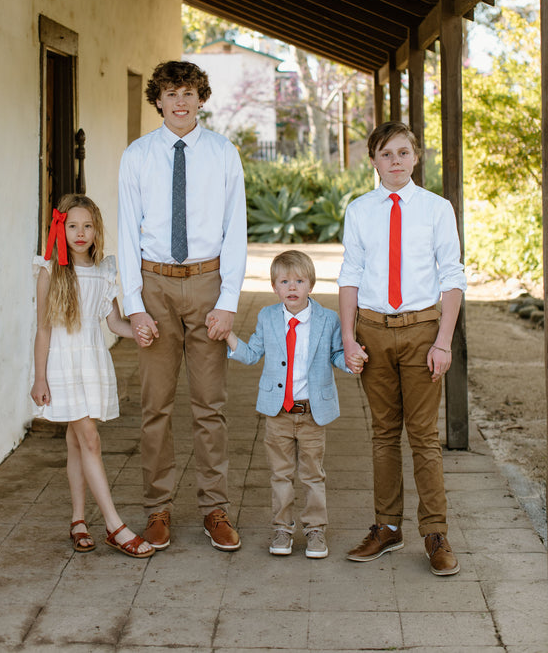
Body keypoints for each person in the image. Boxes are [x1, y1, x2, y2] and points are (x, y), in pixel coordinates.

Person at [118, 60, 247, 552]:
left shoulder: (222, 153)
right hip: (154, 285)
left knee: (210, 405)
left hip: (207, 281)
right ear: (157, 99)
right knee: (156, 406)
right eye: (171, 92)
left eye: (189, 92)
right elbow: (128, 233)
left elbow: (236, 229)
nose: (180, 101)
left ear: (200, 98)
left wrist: (229, 301)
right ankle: (158, 508)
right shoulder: (138, 155)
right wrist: (134, 306)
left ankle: (215, 508)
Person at [338, 121, 466, 576]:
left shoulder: (436, 209)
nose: (395, 161)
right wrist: (349, 337)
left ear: (416, 158)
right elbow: (350, 274)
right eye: (386, 153)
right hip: (372, 332)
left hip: (421, 332)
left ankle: (436, 533)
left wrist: (443, 342)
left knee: (424, 436)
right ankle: (387, 528)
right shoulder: (359, 210)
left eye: (403, 153)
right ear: (373, 160)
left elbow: (451, 276)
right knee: (382, 434)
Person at [31, 194, 153, 559]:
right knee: (91, 440)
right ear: (60, 229)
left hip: (93, 363)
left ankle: (78, 520)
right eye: (72, 226)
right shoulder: (50, 272)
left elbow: (113, 321)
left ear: (97, 230)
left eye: (87, 226)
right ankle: (115, 526)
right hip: (62, 366)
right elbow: (42, 330)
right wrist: (40, 378)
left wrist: (140, 331)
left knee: (75, 441)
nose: (80, 233)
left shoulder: (104, 270)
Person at [227, 250, 350, 558]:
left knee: (312, 474)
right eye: (285, 281)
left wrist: (353, 360)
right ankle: (282, 528)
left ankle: (315, 530)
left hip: (311, 413)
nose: (292, 287)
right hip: (278, 414)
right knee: (280, 474)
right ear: (275, 287)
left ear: (310, 285)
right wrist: (227, 336)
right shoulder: (267, 317)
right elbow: (253, 353)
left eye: (299, 280)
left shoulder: (327, 319)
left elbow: (337, 355)